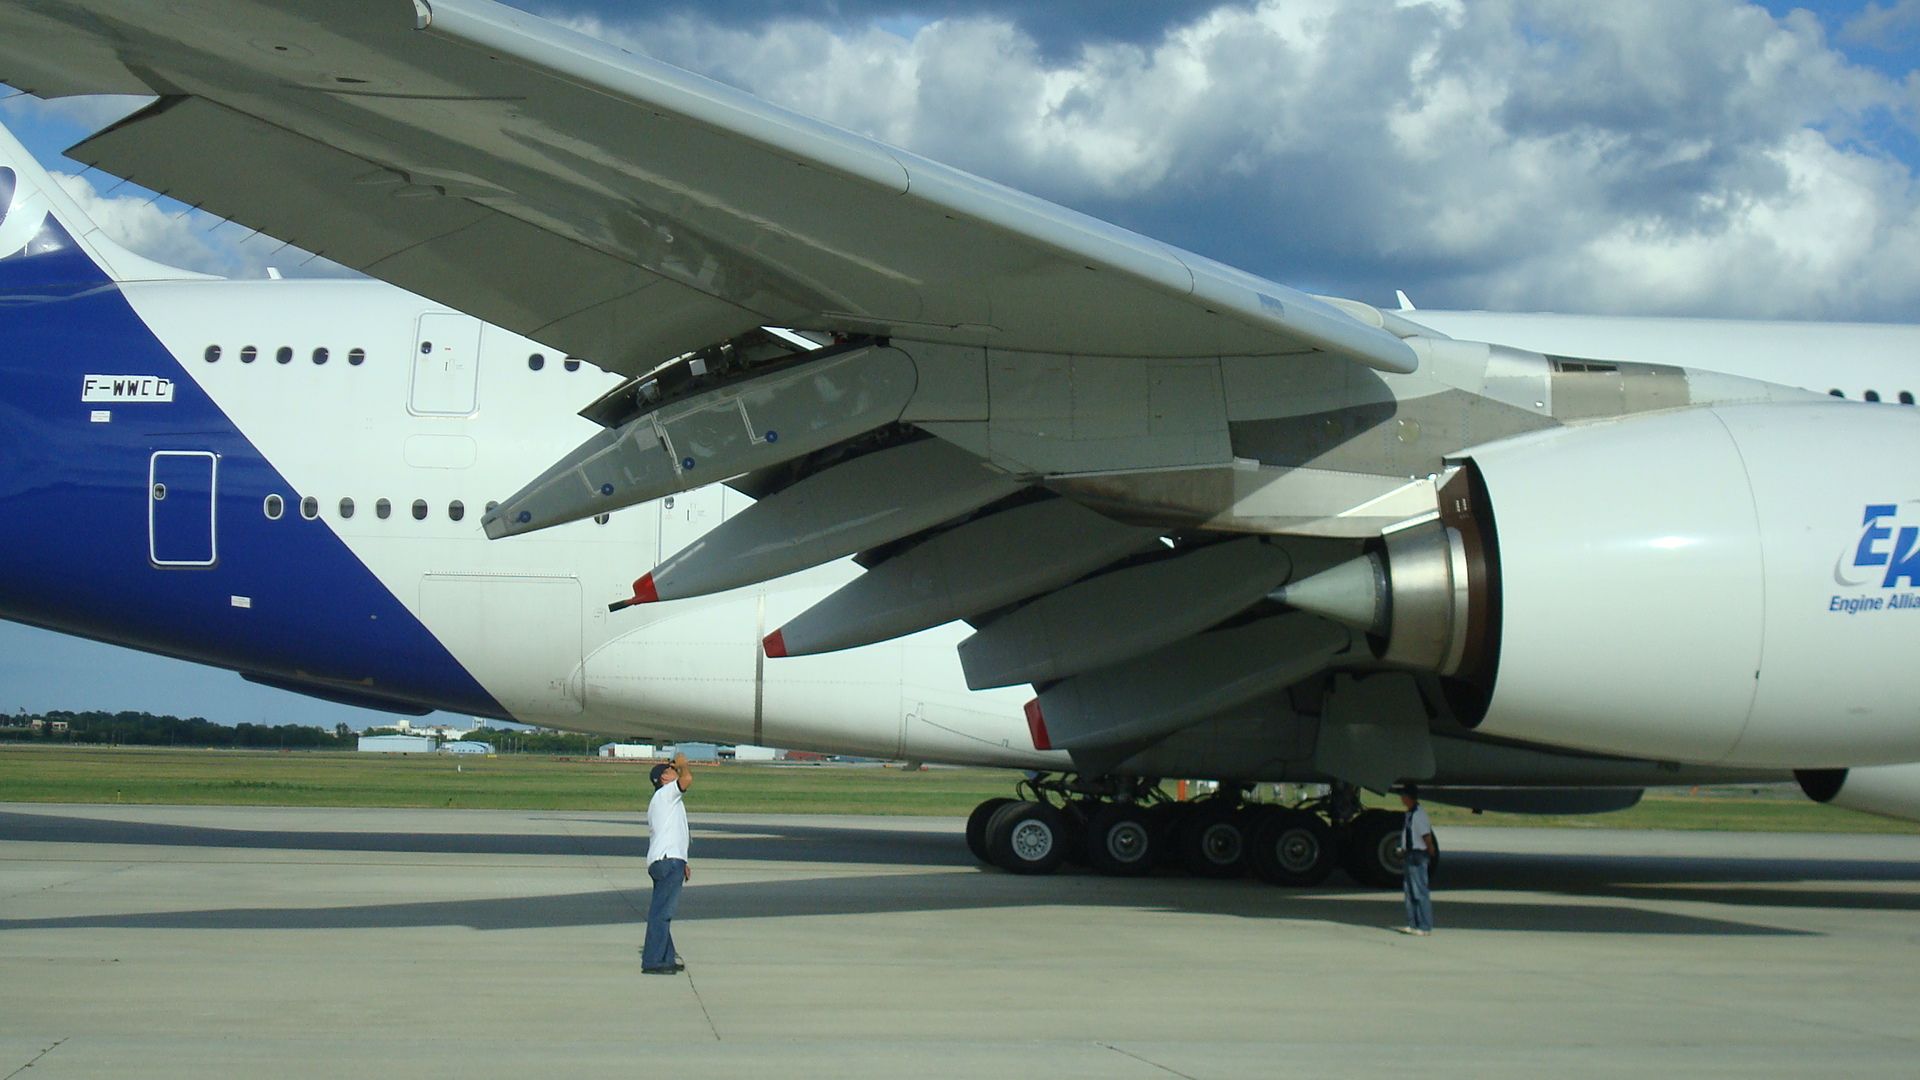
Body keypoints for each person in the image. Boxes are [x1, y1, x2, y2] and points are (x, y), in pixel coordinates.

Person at [642, 753, 692, 974]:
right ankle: (653, 961)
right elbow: (687, 780)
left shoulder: (663, 800)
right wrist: (683, 764)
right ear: (664, 777)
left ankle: (666, 956)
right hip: (668, 861)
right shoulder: (667, 794)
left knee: (661, 911)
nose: (675, 771)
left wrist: (684, 862)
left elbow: (674, 833)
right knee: (662, 914)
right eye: (670, 769)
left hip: (668, 860)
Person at [1397, 784, 1436, 936]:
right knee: (1409, 891)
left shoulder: (1419, 815)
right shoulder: (1409, 814)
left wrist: (1430, 852)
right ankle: (1412, 923)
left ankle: (1425, 926)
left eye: (1403, 796)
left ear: (1409, 797)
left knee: (1420, 891)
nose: (1401, 799)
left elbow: (1426, 836)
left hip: (1418, 855)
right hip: (1409, 854)